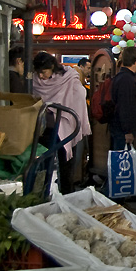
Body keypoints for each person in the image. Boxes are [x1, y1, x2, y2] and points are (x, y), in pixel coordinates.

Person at [32, 51, 92, 193]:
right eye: (38, 72)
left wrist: (67, 108)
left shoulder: (68, 77)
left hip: (67, 125)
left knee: (66, 164)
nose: (41, 76)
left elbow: (80, 93)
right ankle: (42, 193)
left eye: (44, 72)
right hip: (45, 128)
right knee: (44, 162)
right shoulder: (34, 81)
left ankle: (67, 194)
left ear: (52, 66)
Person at [109, 47, 136, 151]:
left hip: (118, 127)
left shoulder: (121, 76)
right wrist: (128, 131)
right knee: (123, 162)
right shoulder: (127, 79)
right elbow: (125, 106)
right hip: (122, 130)